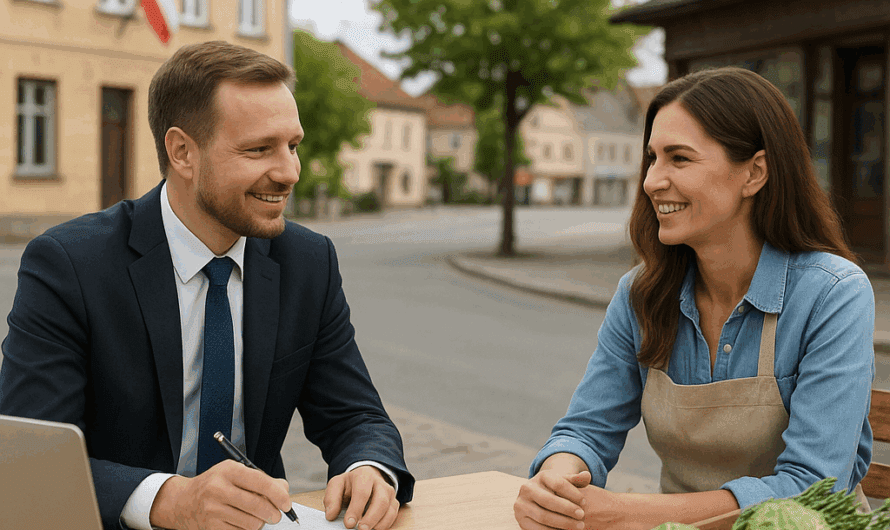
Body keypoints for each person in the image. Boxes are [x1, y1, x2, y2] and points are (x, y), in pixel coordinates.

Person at [0, 41, 413, 530]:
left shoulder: (307, 262)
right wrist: (171, 501)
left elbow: (357, 417)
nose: (289, 172)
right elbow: (29, 460)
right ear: (182, 153)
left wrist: (369, 467)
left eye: (293, 146)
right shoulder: (70, 265)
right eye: (259, 149)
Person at [514, 67, 875, 530]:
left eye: (679, 158)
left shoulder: (832, 294)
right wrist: (557, 482)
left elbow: (810, 490)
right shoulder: (641, 293)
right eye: (653, 158)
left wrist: (626, 513)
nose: (651, 181)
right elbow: (586, 429)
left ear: (755, 173)